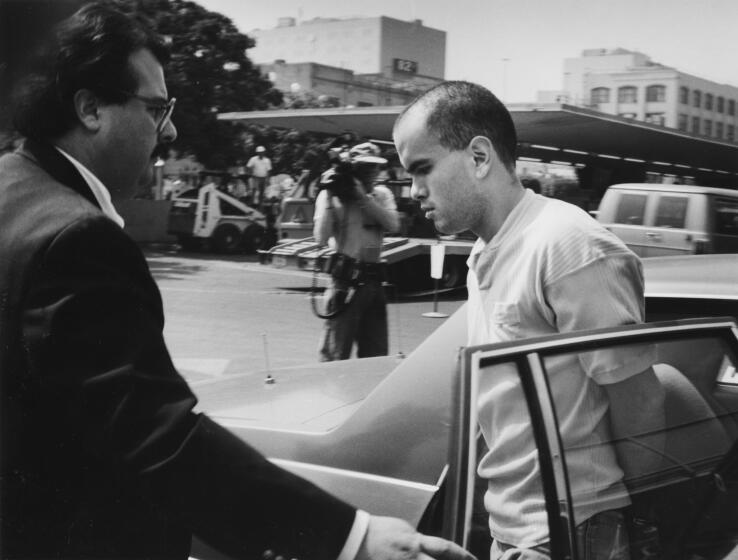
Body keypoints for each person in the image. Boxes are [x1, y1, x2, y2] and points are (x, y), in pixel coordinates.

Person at [0, 5, 477, 560]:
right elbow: (158, 438)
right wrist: (351, 539)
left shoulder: (14, 194)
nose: (170, 129)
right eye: (155, 108)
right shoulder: (78, 238)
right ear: (89, 108)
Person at [392, 81, 665, 560]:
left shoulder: (566, 244)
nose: (413, 192)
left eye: (422, 169)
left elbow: (637, 399)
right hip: (518, 534)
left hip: (574, 532)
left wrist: (641, 526)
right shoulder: (486, 253)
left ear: (480, 157)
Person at [314, 142, 400, 361]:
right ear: (353, 168)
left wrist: (363, 198)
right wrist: (330, 198)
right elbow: (321, 238)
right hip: (345, 284)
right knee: (335, 354)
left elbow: (393, 224)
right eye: (365, 167)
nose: (372, 173)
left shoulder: (382, 195)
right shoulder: (333, 197)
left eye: (375, 167)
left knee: (376, 356)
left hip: (374, 284)